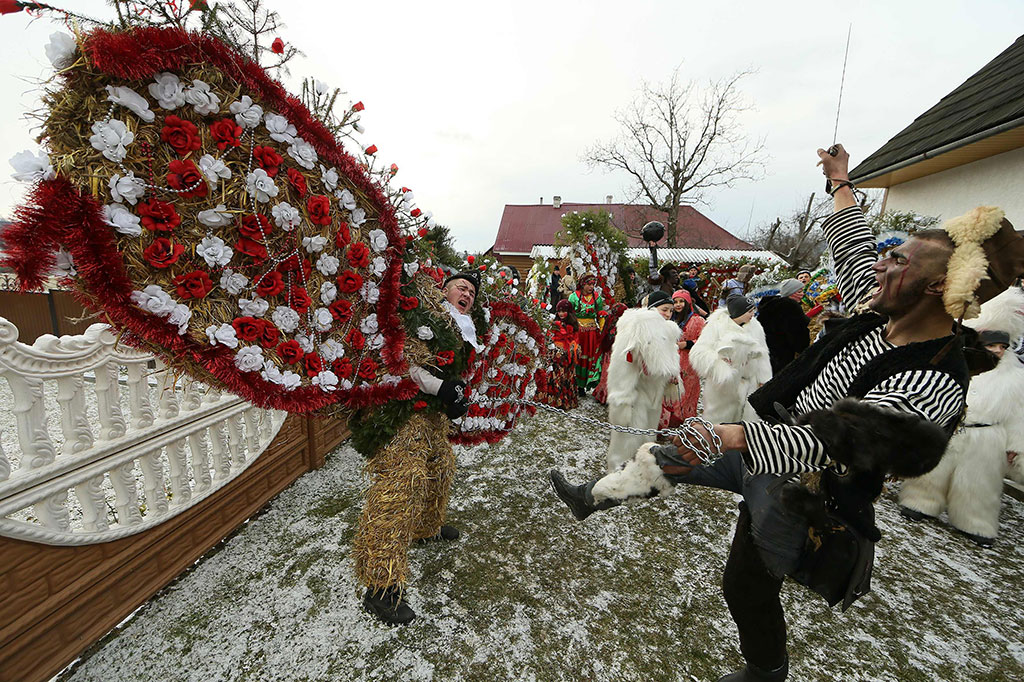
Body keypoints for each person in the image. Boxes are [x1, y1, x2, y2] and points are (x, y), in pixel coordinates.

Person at [549, 143, 1024, 681]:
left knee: (745, 585)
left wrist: (728, 435)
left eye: (899, 260)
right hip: (762, 440)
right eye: (888, 256)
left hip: (805, 488)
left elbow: (832, 442)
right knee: (665, 455)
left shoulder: (933, 374)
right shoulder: (879, 314)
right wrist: (841, 180)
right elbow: (851, 247)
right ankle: (592, 499)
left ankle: (766, 671)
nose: (881, 265)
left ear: (940, 286)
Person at [354, 271, 479, 625]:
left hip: (431, 417)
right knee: (402, 486)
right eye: (461, 287)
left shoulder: (464, 331)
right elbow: (404, 364)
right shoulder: (424, 314)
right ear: (445, 290)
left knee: (440, 468)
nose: (466, 293)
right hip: (399, 412)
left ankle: (427, 528)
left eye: (471, 292)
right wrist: (442, 388)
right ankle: (380, 587)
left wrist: (455, 395)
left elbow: (454, 378)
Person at [899, 286, 1024, 546]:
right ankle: (920, 501)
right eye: (992, 344)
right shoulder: (960, 363)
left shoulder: (1016, 377)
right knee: (934, 468)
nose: (998, 350)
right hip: (954, 424)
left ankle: (975, 522)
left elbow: (1018, 413)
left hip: (989, 436)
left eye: (1002, 346)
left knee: (981, 484)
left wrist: (1017, 446)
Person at [603, 289, 682, 472]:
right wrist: (622, 396)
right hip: (636, 392)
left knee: (647, 434)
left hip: (653, 393)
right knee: (627, 436)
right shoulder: (637, 327)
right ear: (653, 308)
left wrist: (672, 378)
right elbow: (622, 364)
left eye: (671, 310)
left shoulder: (668, 332)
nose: (668, 314)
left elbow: (668, 363)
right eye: (664, 309)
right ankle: (617, 470)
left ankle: (641, 470)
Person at [689, 294, 771, 423]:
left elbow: (763, 355)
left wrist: (764, 379)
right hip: (724, 386)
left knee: (747, 423)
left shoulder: (756, 326)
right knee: (719, 422)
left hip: (750, 384)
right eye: (750, 311)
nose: (753, 314)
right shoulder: (716, 325)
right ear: (739, 312)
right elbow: (699, 352)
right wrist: (720, 366)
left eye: (753, 310)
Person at [661, 290, 706, 426]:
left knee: (687, 391)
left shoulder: (698, 320)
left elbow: (704, 340)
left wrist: (686, 344)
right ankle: (669, 420)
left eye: (681, 301)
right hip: (672, 359)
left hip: (690, 361)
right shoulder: (670, 319)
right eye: (675, 302)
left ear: (688, 302)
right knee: (670, 389)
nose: (678, 305)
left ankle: (684, 420)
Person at [757, 278, 811, 375]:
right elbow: (798, 336)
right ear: (791, 293)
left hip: (767, 356)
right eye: (799, 292)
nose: (802, 294)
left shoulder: (769, 306)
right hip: (783, 357)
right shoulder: (790, 306)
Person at [537, 299, 581, 410]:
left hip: (567, 355)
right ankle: (552, 400)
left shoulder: (574, 325)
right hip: (555, 354)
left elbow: (576, 339)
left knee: (565, 375)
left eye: (564, 311)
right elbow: (549, 337)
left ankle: (565, 400)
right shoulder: (553, 323)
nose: (561, 314)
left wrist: (571, 348)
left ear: (569, 312)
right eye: (559, 311)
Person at [569, 274, 605, 394]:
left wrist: (603, 328)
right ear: (583, 284)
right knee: (579, 357)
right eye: (588, 284)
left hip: (592, 334)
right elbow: (570, 315)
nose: (591, 287)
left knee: (591, 357)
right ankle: (578, 385)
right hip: (579, 333)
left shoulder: (596, 298)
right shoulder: (574, 297)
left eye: (593, 285)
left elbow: (600, 314)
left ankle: (589, 383)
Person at [592, 302, 629, 405]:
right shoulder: (617, 322)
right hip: (614, 353)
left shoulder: (611, 319)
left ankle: (606, 394)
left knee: (609, 374)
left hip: (613, 352)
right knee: (610, 374)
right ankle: (606, 395)